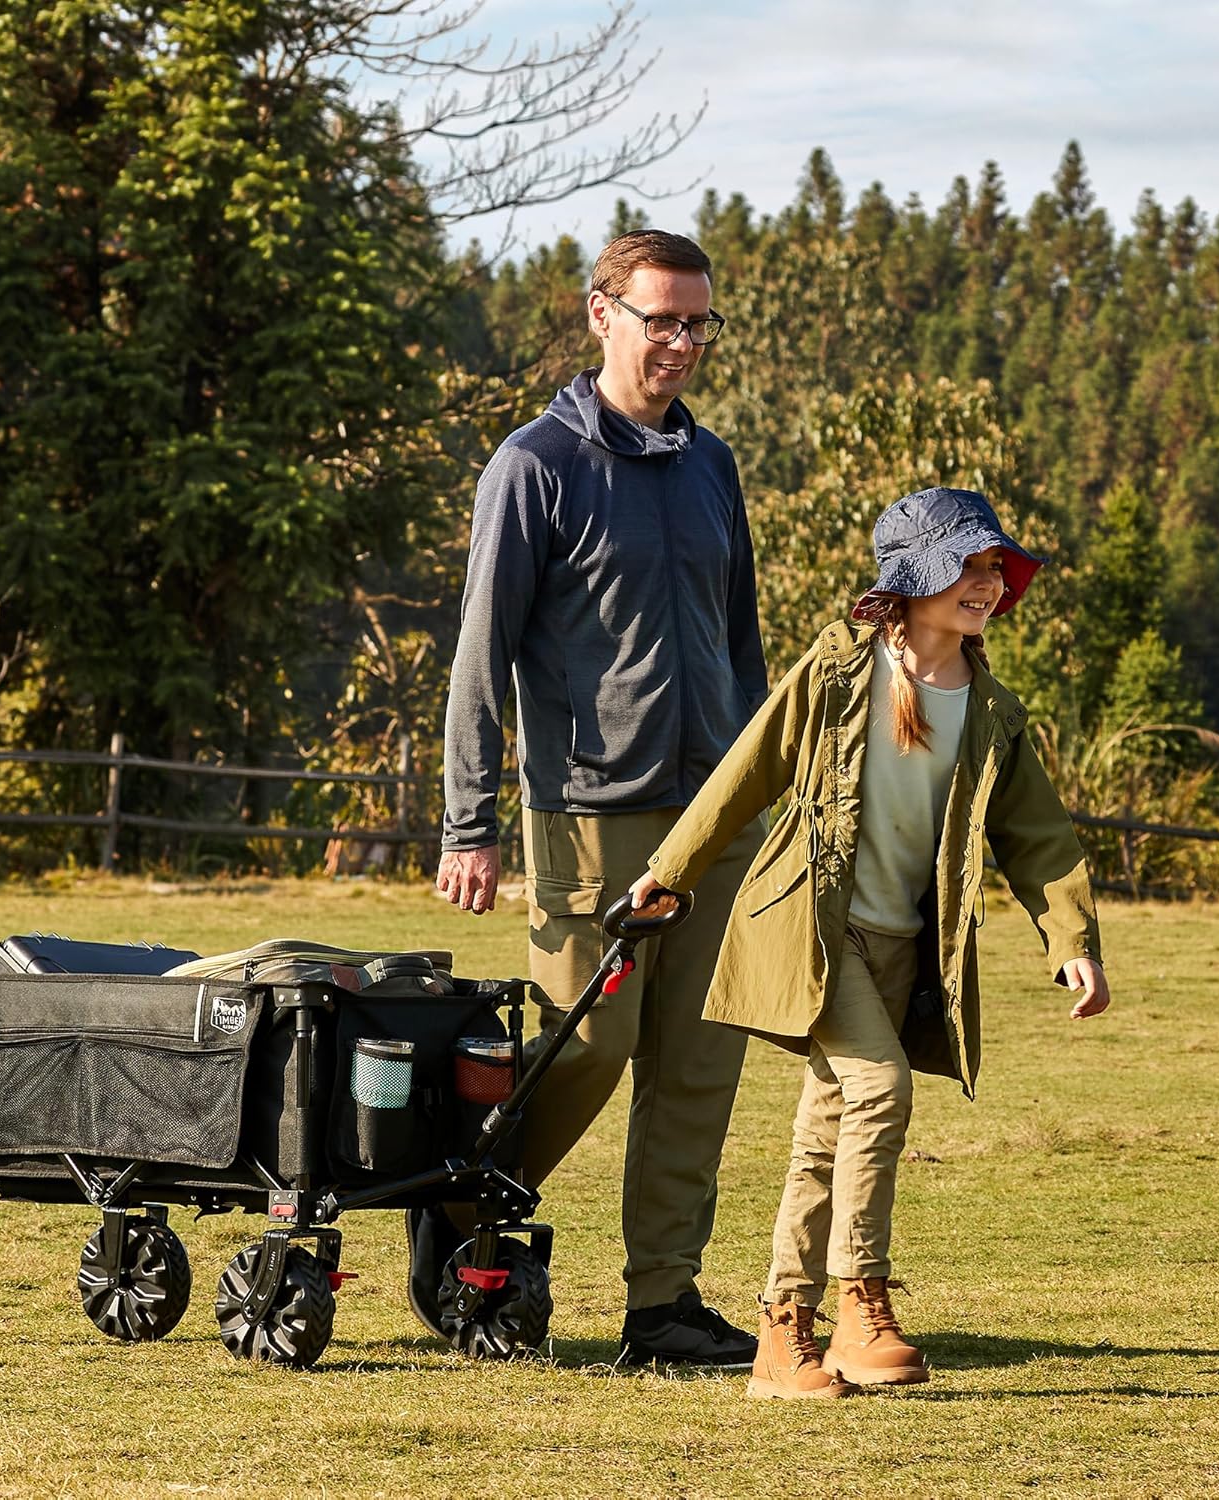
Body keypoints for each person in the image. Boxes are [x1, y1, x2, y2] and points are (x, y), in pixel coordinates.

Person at [629, 486, 1111, 1399]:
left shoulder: (993, 711)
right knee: (880, 1091)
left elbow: (1038, 836)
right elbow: (751, 765)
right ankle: (862, 1297)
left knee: (825, 1130)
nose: (988, 583)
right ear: (918, 577)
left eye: (993, 569)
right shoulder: (843, 667)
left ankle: (784, 1334)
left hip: (907, 950)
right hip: (817, 929)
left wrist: (1071, 939)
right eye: (968, 567)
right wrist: (671, 870)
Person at [417, 229, 770, 1368]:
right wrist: (469, 823)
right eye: (659, 318)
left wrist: (768, 793)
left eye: (697, 323)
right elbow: (482, 657)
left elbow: (743, 649)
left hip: (713, 814)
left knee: (700, 1061)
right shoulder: (534, 466)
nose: (679, 342)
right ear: (600, 314)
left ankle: (662, 1307)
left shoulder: (714, 468)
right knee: (593, 1041)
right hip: (585, 813)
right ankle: (465, 1208)